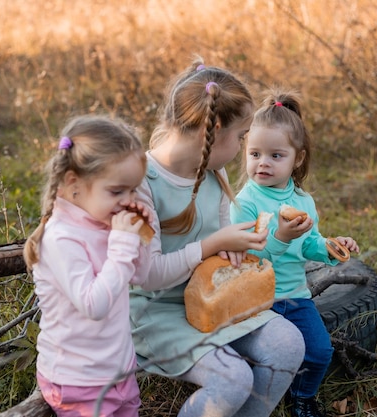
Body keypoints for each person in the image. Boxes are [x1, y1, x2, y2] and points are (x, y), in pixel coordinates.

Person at [129, 59, 306, 417]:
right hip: (156, 312)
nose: (244, 146)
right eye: (242, 137)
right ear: (216, 129)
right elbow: (146, 276)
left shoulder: (214, 169)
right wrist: (212, 245)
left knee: (288, 344)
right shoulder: (141, 183)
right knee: (233, 378)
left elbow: (220, 239)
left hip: (211, 297)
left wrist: (233, 249)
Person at [230, 90, 360, 417]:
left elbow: (310, 243)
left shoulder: (303, 201)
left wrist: (332, 247)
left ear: (297, 159)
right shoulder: (244, 203)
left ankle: (301, 398)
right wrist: (280, 237)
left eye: (276, 155)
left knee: (319, 351)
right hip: (256, 298)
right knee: (266, 355)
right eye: (255, 153)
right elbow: (250, 258)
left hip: (295, 296)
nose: (263, 163)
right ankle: (258, 399)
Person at [23, 115, 153, 417]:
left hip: (119, 370)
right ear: (74, 183)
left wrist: (142, 235)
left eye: (132, 191)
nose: (127, 200)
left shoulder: (103, 220)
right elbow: (94, 305)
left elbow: (141, 276)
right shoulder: (61, 238)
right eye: (117, 191)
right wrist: (122, 244)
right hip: (79, 380)